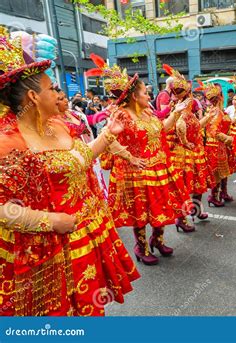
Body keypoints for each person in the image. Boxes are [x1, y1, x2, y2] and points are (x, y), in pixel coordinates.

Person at [0, 30, 139, 316]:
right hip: (48, 251)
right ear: (32, 96)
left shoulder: (59, 126)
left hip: (86, 236)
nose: (58, 93)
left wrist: (106, 137)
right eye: (52, 89)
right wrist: (48, 220)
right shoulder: (8, 142)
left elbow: (81, 159)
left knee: (90, 309)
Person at [87, 54, 193, 266]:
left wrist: (176, 113)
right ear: (135, 96)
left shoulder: (148, 112)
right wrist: (130, 157)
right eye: (145, 92)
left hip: (158, 166)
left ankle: (158, 239)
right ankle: (141, 246)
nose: (149, 95)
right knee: (140, 212)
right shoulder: (122, 115)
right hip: (134, 170)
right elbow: (109, 140)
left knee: (159, 208)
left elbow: (161, 129)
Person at [163, 64, 214, 222]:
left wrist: (208, 117)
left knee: (196, 185)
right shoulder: (180, 109)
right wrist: (185, 141)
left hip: (194, 150)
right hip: (184, 152)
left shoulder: (186, 107)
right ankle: (181, 219)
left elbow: (197, 126)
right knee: (185, 187)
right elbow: (179, 126)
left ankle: (195, 211)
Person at [200, 82, 236, 207]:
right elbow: (213, 131)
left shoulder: (219, 111)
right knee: (216, 173)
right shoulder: (216, 111)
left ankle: (223, 193)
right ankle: (213, 196)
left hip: (221, 146)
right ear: (220, 97)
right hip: (216, 146)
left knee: (223, 172)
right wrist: (228, 138)